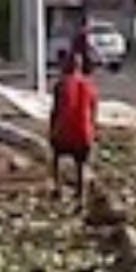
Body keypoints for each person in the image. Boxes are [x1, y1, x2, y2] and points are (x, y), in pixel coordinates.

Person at [49, 51, 99, 202]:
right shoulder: (90, 85)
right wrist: (93, 133)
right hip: (83, 135)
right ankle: (80, 192)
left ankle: (57, 187)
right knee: (81, 162)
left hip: (64, 134)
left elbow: (56, 111)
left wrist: (52, 131)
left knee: (56, 156)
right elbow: (93, 113)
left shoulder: (61, 85)